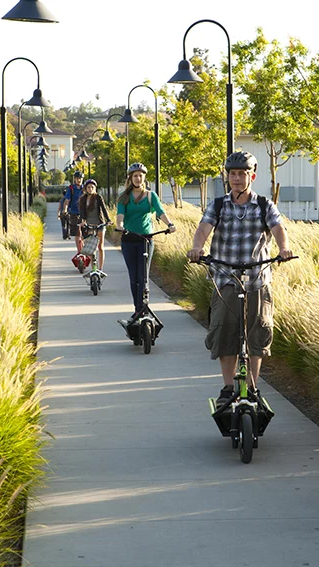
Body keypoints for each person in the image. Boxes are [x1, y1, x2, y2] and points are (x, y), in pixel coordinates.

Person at [186, 151, 292, 406]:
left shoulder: (265, 205)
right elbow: (203, 228)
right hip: (226, 278)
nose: (236, 179)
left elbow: (278, 228)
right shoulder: (218, 205)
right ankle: (227, 387)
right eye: (232, 174)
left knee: (257, 334)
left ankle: (253, 387)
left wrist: (284, 248)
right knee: (224, 333)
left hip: (257, 278)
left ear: (251, 176)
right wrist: (197, 248)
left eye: (241, 174)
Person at [115, 163, 176, 320]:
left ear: (144, 177)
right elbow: (120, 215)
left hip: (146, 239)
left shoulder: (150, 196)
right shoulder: (124, 197)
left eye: (140, 175)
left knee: (143, 276)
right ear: (130, 178)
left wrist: (169, 224)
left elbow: (160, 211)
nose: (138, 178)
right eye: (135, 175)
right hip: (128, 239)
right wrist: (120, 226)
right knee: (133, 276)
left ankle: (144, 307)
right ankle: (137, 308)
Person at [77, 178, 111, 272]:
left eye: (92, 187)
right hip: (89, 226)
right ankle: (94, 269)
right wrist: (82, 222)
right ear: (85, 188)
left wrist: (108, 220)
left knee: (100, 246)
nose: (90, 189)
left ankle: (100, 268)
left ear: (95, 188)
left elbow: (103, 209)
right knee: (91, 249)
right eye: (88, 187)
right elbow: (82, 213)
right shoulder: (83, 199)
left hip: (99, 224)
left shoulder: (98, 197)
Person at [60, 171, 85, 256]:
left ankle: (84, 248)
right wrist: (65, 210)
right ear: (75, 179)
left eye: (80, 179)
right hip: (74, 213)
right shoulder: (71, 189)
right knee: (77, 233)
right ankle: (79, 251)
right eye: (77, 179)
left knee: (85, 232)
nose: (79, 180)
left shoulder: (85, 188)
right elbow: (67, 201)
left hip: (84, 213)